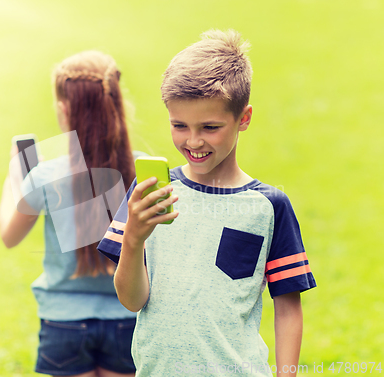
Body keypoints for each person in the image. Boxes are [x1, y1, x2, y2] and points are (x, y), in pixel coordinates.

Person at [97, 30, 316, 377]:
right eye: (179, 125)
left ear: (243, 119)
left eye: (210, 127)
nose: (193, 140)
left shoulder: (269, 206)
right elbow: (132, 300)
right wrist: (134, 238)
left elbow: (288, 306)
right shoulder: (151, 192)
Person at [0, 50, 139, 377]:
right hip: (127, 320)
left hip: (63, 323)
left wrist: (15, 179)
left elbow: (10, 235)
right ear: (116, 105)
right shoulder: (142, 171)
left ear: (64, 111)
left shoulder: (45, 177)